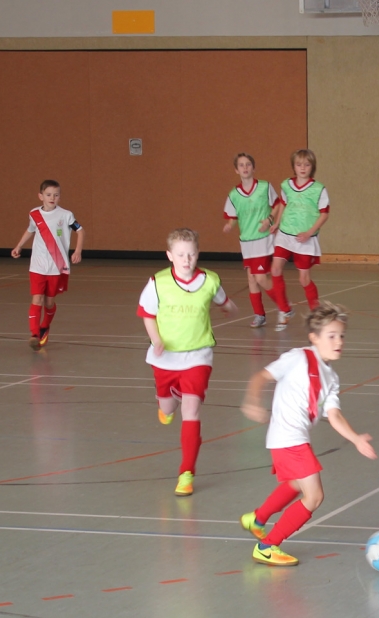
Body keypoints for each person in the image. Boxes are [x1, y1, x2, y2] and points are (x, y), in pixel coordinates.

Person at [240, 302, 376, 566]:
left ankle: (256, 519)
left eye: (341, 336)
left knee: (295, 484)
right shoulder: (298, 358)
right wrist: (252, 401)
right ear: (314, 338)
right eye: (331, 336)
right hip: (288, 437)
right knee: (314, 497)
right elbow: (260, 377)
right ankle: (267, 547)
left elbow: (334, 415)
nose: (339, 342)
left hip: (295, 438)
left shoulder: (331, 378)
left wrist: (356, 438)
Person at [137, 228, 238, 496]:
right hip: (165, 358)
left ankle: (186, 473)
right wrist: (156, 339)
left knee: (191, 411)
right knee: (168, 407)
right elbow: (147, 314)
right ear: (170, 255)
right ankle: (165, 405)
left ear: (198, 253)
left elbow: (223, 299)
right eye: (180, 254)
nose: (186, 259)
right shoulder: (157, 282)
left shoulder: (209, 280)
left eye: (191, 254)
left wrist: (230, 308)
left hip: (198, 356)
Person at [11, 179, 84, 349]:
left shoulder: (66, 215)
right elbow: (30, 230)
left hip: (57, 266)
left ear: (60, 197)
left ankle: (45, 326)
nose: (52, 198)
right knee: (37, 298)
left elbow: (80, 231)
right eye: (49, 194)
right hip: (37, 266)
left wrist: (78, 251)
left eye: (56, 195)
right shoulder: (34, 214)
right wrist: (19, 246)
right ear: (41, 196)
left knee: (49, 302)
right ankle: (34, 334)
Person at [223, 153, 291, 328]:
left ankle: (284, 306)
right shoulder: (234, 194)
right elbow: (233, 216)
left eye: (248, 164)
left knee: (260, 278)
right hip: (247, 242)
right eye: (241, 165)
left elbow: (277, 205)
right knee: (251, 279)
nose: (245, 168)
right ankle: (259, 314)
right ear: (236, 170)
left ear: (253, 168)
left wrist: (269, 220)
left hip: (263, 239)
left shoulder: (264, 187)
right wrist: (230, 225)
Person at [269, 149, 330, 331]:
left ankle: (316, 314)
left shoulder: (319, 189)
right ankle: (284, 310)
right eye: (299, 164)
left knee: (304, 279)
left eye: (307, 164)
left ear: (312, 167)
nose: (302, 168)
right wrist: (277, 223)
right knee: (275, 269)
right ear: (293, 167)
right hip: (285, 234)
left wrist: (310, 232)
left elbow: (324, 214)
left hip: (305, 238)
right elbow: (283, 204)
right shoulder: (286, 185)